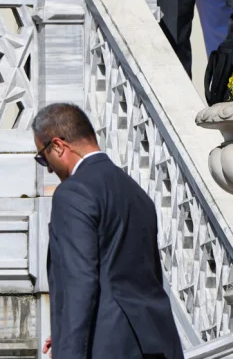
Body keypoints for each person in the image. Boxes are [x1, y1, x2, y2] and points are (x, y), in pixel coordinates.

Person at [37, 103, 183, 359]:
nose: (48, 168)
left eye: (42, 157)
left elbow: (78, 283)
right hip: (157, 342)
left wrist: (69, 348)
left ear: (58, 146)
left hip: (109, 348)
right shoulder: (135, 192)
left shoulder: (73, 193)